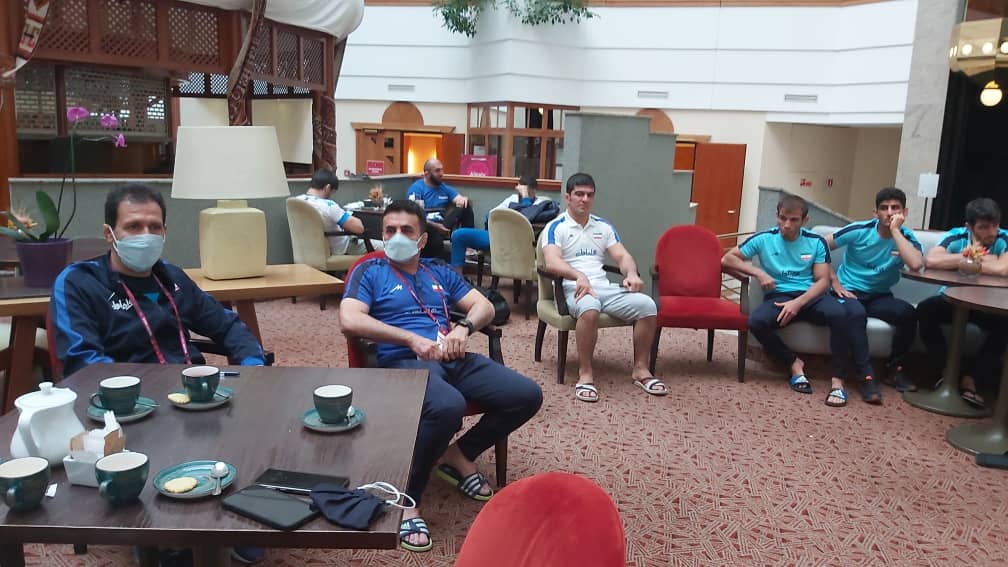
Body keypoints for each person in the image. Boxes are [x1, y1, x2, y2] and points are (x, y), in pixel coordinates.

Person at [49, 184, 267, 565]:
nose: (145, 235)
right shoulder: (79, 282)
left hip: (194, 397)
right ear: (109, 233)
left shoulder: (172, 278)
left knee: (258, 426)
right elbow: (84, 362)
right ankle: (161, 536)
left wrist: (252, 366)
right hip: (129, 410)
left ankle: (232, 514)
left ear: (165, 231)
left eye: (154, 227)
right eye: (133, 226)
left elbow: (227, 325)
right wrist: (149, 394)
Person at [339, 200, 542, 553]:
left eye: (406, 230)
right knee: (448, 406)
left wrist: (463, 329)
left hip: (452, 356)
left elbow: (484, 306)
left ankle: (459, 454)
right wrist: (410, 339)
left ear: (421, 240)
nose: (396, 237)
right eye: (390, 230)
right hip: (402, 360)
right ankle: (407, 499)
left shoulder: (438, 271)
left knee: (526, 395)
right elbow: (350, 319)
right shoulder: (369, 271)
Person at [722, 194, 858, 407]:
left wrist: (798, 303)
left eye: (793, 220)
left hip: (810, 296)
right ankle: (794, 364)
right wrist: (758, 273)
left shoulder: (816, 242)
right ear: (777, 216)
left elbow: (823, 281)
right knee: (756, 322)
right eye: (782, 218)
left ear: (805, 221)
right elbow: (727, 258)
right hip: (779, 296)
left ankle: (838, 382)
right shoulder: (764, 238)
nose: (786, 224)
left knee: (841, 315)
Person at [541, 172, 666, 403]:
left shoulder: (603, 226)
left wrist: (631, 273)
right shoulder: (556, 227)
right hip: (573, 288)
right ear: (568, 197)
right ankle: (585, 373)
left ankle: (641, 369)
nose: (584, 199)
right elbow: (551, 262)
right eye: (579, 194)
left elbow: (622, 256)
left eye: (589, 195)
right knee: (590, 309)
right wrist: (578, 275)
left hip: (604, 287)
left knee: (647, 306)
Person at [826, 187, 925, 397]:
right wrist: (834, 281)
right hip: (849, 292)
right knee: (856, 314)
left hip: (879, 296)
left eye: (895, 208)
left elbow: (916, 264)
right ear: (875, 213)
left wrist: (896, 232)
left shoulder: (906, 237)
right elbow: (818, 247)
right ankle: (865, 375)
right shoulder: (859, 230)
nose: (889, 213)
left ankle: (894, 368)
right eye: (884, 208)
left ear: (905, 213)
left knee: (907, 313)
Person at [917, 197, 1008, 408]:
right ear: (969, 226)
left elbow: (1004, 269)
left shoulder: (1004, 238)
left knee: (1006, 325)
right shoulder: (957, 235)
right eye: (984, 227)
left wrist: (962, 261)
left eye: (995, 225)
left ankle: (973, 379)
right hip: (953, 300)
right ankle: (946, 374)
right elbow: (932, 260)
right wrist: (969, 257)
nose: (992, 232)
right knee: (925, 310)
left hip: (990, 305)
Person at [448, 174, 556, 271]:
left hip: (519, 243)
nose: (523, 193)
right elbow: (491, 215)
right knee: (458, 235)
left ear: (535, 190)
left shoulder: (541, 203)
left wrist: (525, 197)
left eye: (528, 191)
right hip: (496, 238)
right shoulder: (512, 199)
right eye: (522, 190)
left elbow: (528, 215)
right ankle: (457, 277)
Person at [297, 168, 382, 254]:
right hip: (340, 249)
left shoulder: (296, 201)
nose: (331, 196)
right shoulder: (328, 205)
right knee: (383, 246)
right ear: (327, 188)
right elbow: (359, 228)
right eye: (332, 192)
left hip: (307, 252)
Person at [406, 159, 475, 259]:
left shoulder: (443, 187)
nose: (441, 174)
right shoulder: (417, 189)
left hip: (443, 223)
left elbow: (459, 199)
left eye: (442, 170)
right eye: (437, 171)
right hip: (427, 226)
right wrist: (436, 226)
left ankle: (469, 245)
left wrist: (464, 199)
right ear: (427, 174)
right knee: (434, 238)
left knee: (466, 206)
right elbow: (416, 216)